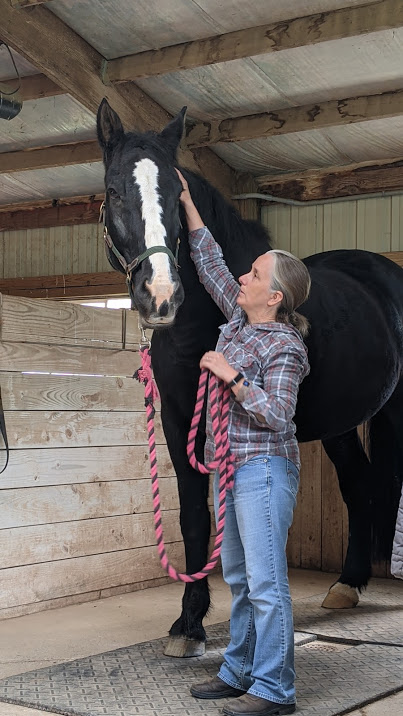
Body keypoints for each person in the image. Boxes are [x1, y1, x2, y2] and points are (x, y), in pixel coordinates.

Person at [176, 169, 311, 716]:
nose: (242, 276)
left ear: (273, 296)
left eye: (254, 274)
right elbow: (209, 263)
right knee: (237, 576)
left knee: (266, 583)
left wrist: (231, 375)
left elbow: (278, 414)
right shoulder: (237, 319)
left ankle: (276, 691)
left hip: (262, 470)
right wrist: (187, 203)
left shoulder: (285, 347)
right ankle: (238, 670)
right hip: (231, 470)